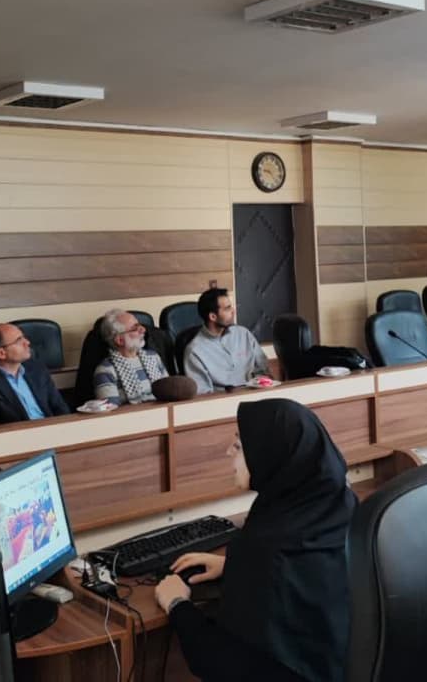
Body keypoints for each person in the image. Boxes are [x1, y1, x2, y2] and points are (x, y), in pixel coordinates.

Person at [154, 399, 355, 682]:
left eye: (238, 446)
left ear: (269, 456)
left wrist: (176, 603)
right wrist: (234, 565)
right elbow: (308, 577)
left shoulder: (266, 550)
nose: (229, 452)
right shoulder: (341, 506)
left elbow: (221, 664)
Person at [183, 288, 269, 393]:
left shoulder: (243, 334)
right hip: (225, 400)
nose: (233, 311)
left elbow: (263, 370)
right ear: (213, 316)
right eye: (227, 308)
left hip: (256, 393)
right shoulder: (195, 351)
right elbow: (203, 394)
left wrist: (262, 383)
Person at [0, 322, 70, 425]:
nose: (27, 342)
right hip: (18, 432)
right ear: (1, 353)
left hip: (51, 427)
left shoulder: (37, 369)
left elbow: (60, 407)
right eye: (19, 340)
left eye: (24, 337)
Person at [93, 309, 169, 405]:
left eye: (140, 325)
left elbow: (169, 392)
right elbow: (110, 410)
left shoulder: (153, 357)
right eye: (135, 328)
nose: (143, 330)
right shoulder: (105, 370)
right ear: (120, 340)